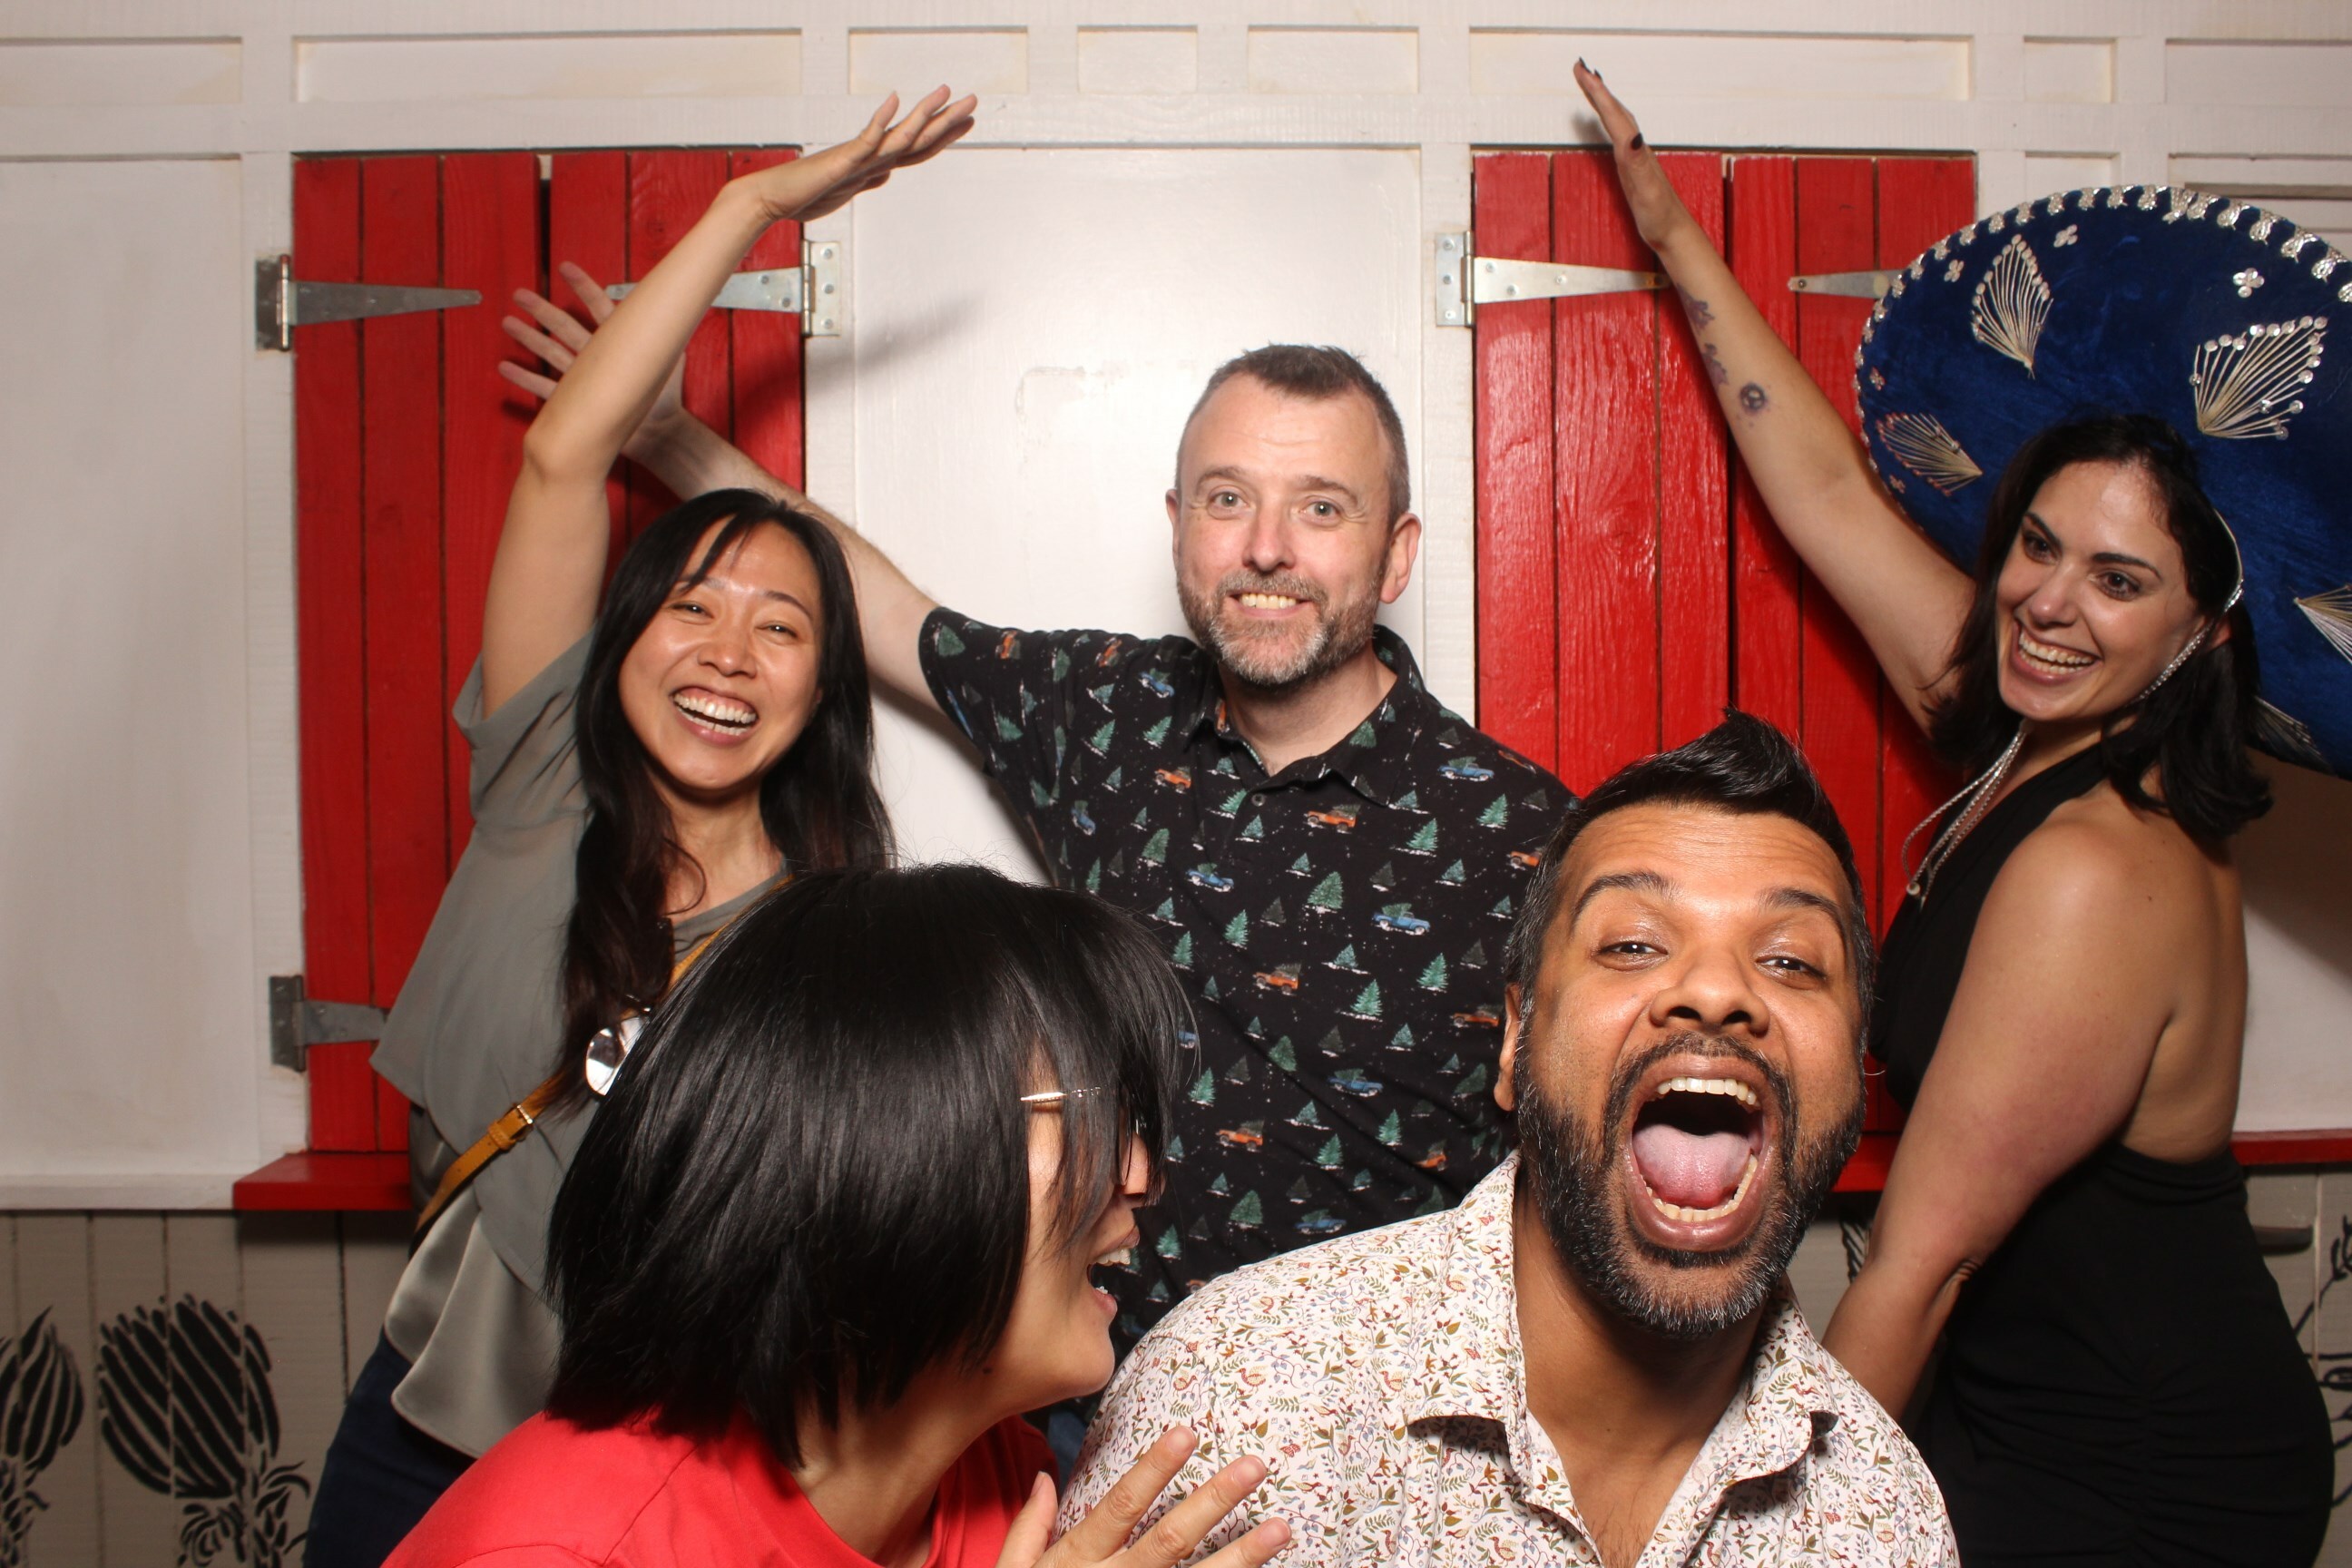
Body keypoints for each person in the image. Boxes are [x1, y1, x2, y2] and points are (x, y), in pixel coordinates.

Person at [1575, 63, 2337, 1563]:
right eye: (2036, 547)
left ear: (2197, 634)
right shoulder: (2027, 735)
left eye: (2117, 581)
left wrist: (1753, 1541)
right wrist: (1670, 237)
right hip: (2018, 1411)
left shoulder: (2096, 867)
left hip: (2143, 1465)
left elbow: (1918, 1266)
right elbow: (1826, 498)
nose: (2049, 601)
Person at [497, 308, 1571, 1351]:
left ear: (1396, 554)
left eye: (1322, 509)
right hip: (1092, 1405)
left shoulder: (1523, 835)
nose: (1265, 548)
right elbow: (886, 616)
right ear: (1179, 527)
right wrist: (667, 436)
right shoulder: (1106, 710)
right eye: (1227, 499)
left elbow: (1576, 1171)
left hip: (1368, 1430)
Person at [306, 92, 975, 1567]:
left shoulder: (825, 943)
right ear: (621, 644)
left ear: (822, 690)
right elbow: (566, 456)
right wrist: (753, 205)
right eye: (693, 606)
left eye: (782, 627)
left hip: (675, 1461)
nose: (729, 653)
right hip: (422, 1425)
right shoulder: (543, 783)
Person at [1065, 715, 1955, 1566]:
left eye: (1791, 960)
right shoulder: (1236, 1399)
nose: (1717, 991)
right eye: (1635, 944)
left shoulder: (1885, 1517)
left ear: (1856, 1068)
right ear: (1514, 1041)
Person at [386, 865, 1295, 1568]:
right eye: (1098, 1117)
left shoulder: (1012, 1488)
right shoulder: (558, 1551)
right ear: (892, 1143)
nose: (1142, 1176)